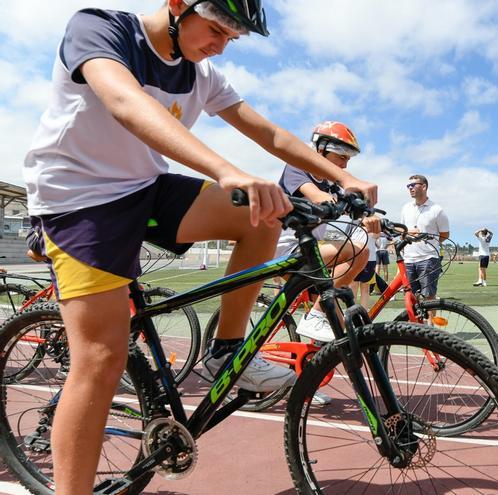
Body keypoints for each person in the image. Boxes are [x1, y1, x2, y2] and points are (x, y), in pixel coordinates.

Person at [21, 3, 378, 493]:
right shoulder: (100, 28)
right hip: (78, 200)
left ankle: (226, 349)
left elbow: (269, 132)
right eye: (215, 29)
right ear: (176, 4)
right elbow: (125, 103)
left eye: (232, 37)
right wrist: (225, 170)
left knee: (264, 215)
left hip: (143, 189)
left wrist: (343, 175)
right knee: (101, 358)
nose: (220, 44)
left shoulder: (202, 75)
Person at [275, 121, 377, 344]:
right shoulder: (297, 167)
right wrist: (342, 201)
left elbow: (352, 207)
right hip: (286, 250)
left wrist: (369, 215)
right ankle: (315, 315)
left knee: (344, 335)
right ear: (321, 150)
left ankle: (318, 347)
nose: (345, 166)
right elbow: (316, 195)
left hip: (311, 250)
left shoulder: (330, 183)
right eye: (342, 157)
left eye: (348, 160)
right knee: (359, 253)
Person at [401, 175, 449, 300]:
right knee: (411, 297)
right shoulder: (406, 208)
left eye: (413, 185)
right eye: (408, 186)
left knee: (429, 297)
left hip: (428, 259)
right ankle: (414, 321)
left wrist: (429, 243)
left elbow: (445, 234)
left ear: (424, 186)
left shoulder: (437, 210)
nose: (410, 188)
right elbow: (402, 230)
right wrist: (408, 233)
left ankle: (430, 321)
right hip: (408, 260)